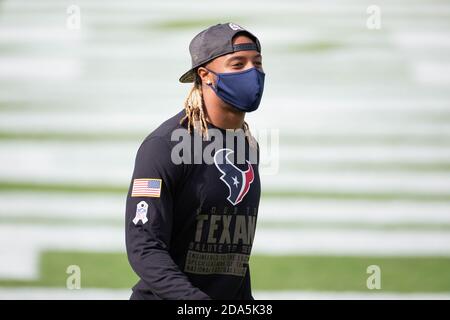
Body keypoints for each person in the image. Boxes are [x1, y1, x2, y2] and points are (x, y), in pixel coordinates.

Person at [125, 22, 265, 300]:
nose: (253, 72)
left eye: (257, 63)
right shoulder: (164, 146)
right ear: (205, 75)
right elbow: (145, 247)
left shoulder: (247, 145)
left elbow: (233, 256)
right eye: (238, 64)